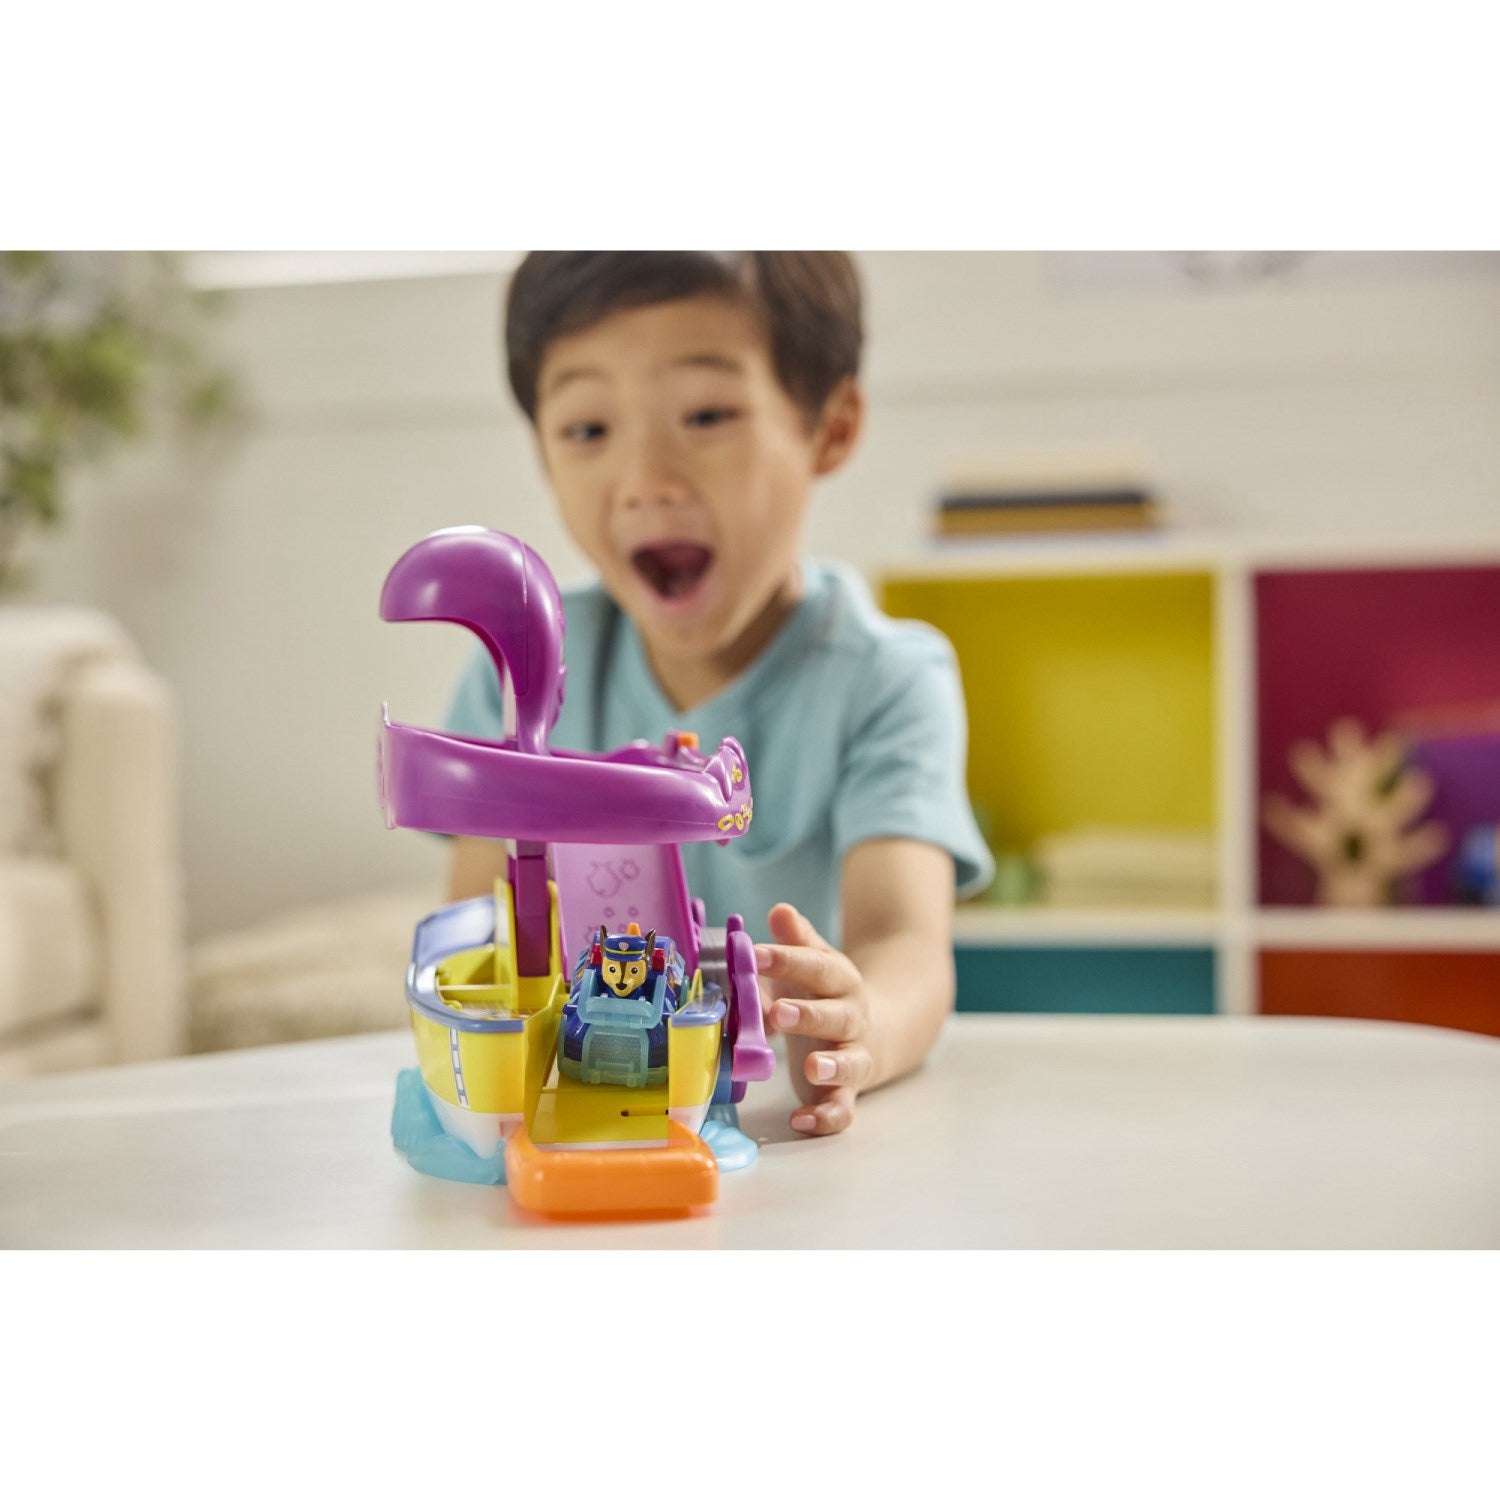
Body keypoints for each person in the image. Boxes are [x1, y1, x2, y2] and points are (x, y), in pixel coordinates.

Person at [445, 252, 993, 1137]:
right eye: (587, 428)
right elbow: (476, 928)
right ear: (541, 451)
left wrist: (865, 1026)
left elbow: (907, 946)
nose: (646, 479)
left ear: (830, 429)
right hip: (581, 1100)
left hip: (778, 1127)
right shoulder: (522, 669)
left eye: (706, 415)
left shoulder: (888, 680)